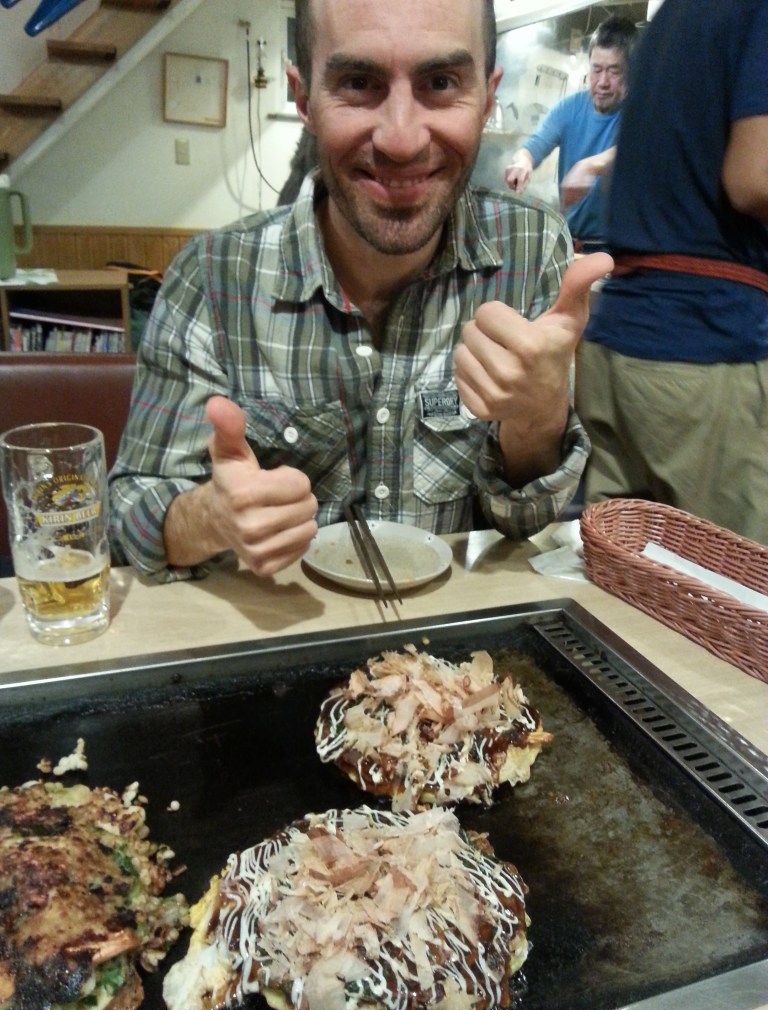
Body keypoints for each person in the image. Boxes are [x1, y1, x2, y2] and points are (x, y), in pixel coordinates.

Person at [108, 0, 611, 583]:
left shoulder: (532, 248)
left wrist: (538, 422)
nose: (401, 139)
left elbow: (522, 522)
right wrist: (211, 518)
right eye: (358, 83)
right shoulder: (213, 275)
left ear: (489, 95)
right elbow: (128, 518)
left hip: (452, 661)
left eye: (441, 83)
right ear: (304, 99)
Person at [576, 0, 768, 546]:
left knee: (625, 592)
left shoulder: (679, 14)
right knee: (733, 606)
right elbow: (755, 178)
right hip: (701, 354)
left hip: (618, 345)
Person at [504, 15, 636, 249]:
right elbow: (533, 146)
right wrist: (523, 162)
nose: (602, 82)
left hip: (618, 249)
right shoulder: (569, 109)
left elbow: (635, 148)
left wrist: (589, 165)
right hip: (570, 244)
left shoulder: (640, 112)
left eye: (614, 71)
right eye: (597, 69)